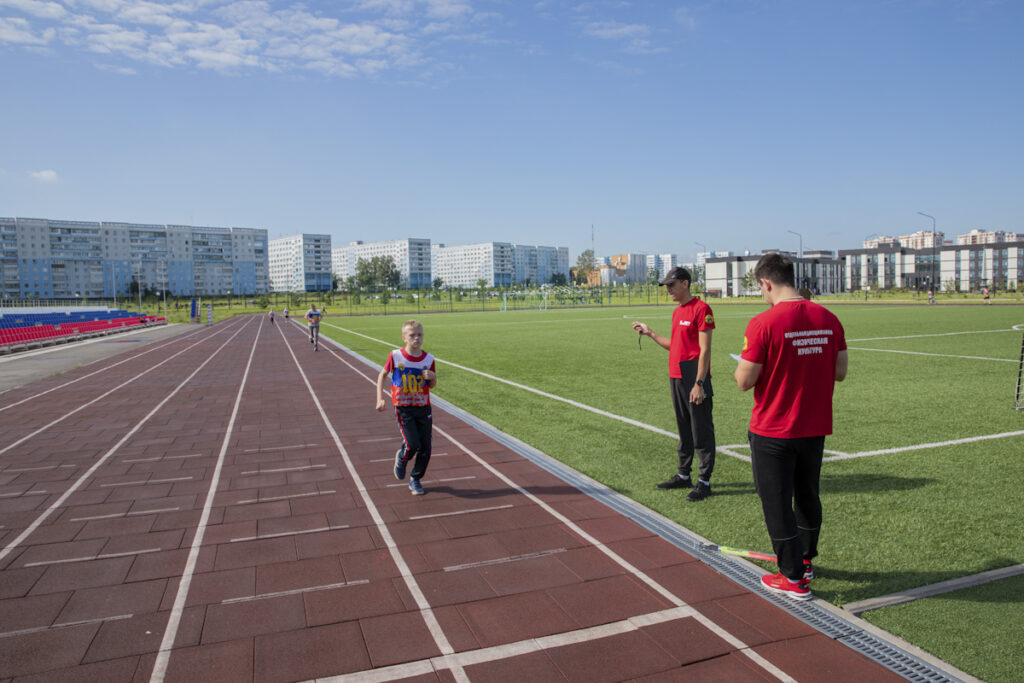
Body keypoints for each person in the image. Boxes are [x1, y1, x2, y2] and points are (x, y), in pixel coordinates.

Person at [734, 253, 848, 601]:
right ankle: (806, 560)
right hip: (813, 427)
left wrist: (742, 367)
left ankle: (793, 577)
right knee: (807, 494)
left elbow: (744, 381)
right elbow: (840, 372)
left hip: (774, 429)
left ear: (766, 283)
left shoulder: (763, 323)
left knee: (777, 502)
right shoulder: (829, 318)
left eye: (760, 288)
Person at [631, 266, 716, 501]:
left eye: (671, 284)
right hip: (676, 375)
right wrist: (650, 334)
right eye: (666, 285)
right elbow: (675, 346)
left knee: (702, 431)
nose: (668, 289)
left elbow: (705, 350)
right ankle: (683, 475)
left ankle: (704, 481)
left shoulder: (702, 309)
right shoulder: (678, 312)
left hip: (694, 376)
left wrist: (699, 383)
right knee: (684, 429)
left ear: (685, 283)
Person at [375, 319, 437, 496]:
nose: (416, 338)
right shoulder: (395, 356)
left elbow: (432, 385)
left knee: (426, 448)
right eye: (412, 335)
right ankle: (402, 458)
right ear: (404, 337)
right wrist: (380, 398)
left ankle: (415, 478)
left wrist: (432, 376)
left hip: (423, 408)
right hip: (404, 408)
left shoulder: (429, 359)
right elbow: (383, 375)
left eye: (420, 335)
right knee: (412, 445)